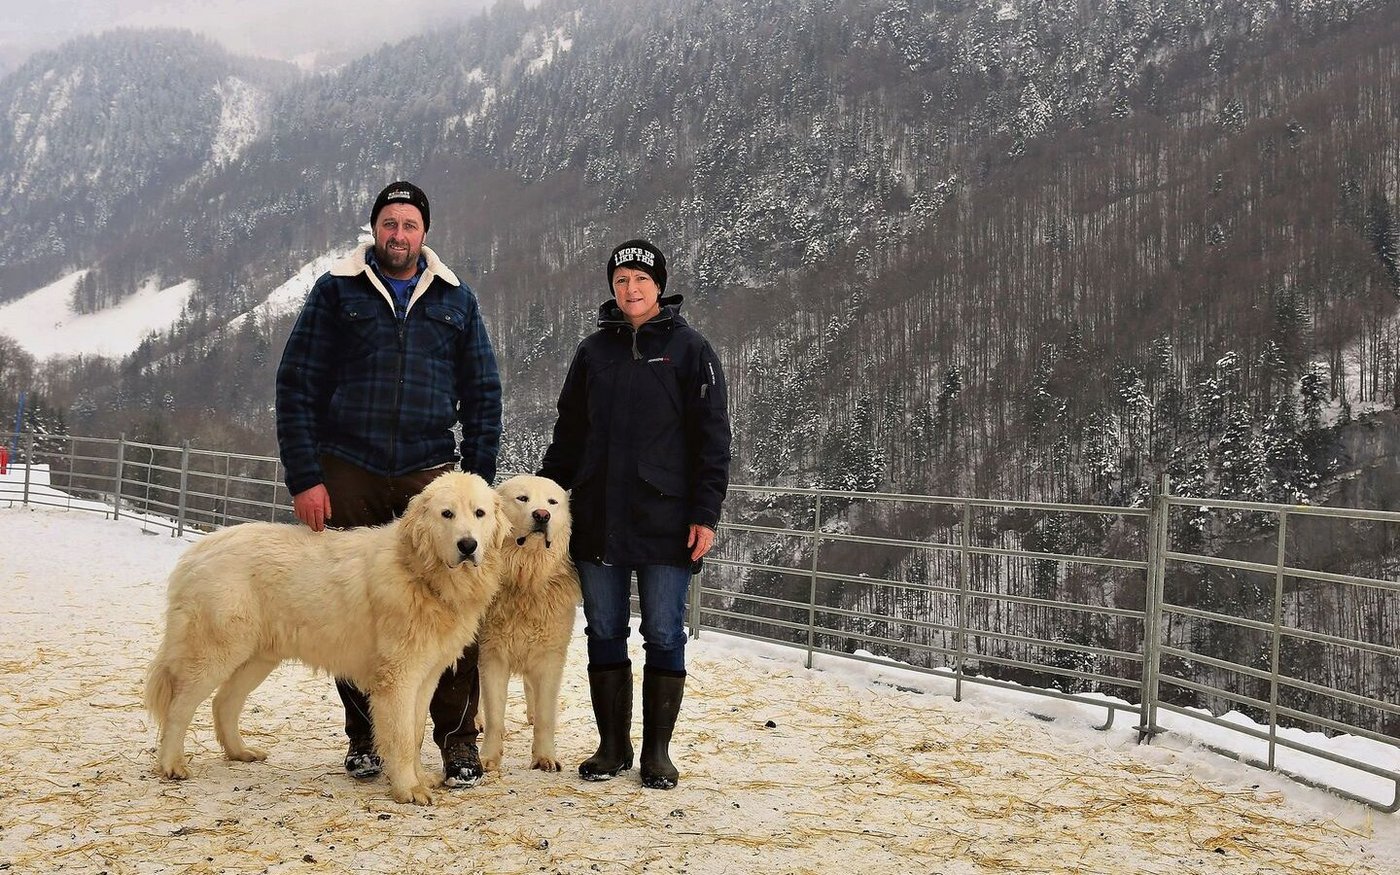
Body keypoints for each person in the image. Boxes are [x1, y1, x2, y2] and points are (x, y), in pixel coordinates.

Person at [275, 180, 502, 787]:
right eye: (389, 224)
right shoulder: (336, 291)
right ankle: (369, 741)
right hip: (348, 469)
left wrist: (476, 484)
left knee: (456, 606)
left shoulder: (456, 298)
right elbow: (297, 383)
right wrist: (306, 476)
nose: (398, 235)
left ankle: (457, 742)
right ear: (374, 228)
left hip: (432, 477)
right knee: (354, 610)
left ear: (425, 233)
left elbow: (483, 393)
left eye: (409, 225)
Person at [539, 238, 731, 790]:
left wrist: (705, 514)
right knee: (603, 627)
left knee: (665, 631)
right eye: (621, 280)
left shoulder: (690, 350)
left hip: (666, 520)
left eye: (641, 279)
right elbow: (569, 434)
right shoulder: (592, 352)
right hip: (598, 515)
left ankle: (657, 753)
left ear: (659, 285)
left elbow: (713, 440)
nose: (630, 288)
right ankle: (612, 746)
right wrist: (545, 498)